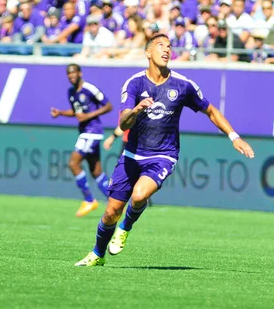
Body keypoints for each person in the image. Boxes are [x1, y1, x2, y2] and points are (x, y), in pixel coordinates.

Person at [75, 34, 255, 267]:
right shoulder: (134, 83)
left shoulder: (183, 85)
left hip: (163, 155)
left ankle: (125, 227)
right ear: (148, 53)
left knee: (140, 195)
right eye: (160, 46)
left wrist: (234, 136)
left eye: (169, 46)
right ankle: (97, 255)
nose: (166, 50)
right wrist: (137, 109)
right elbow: (123, 123)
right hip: (132, 154)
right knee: (111, 211)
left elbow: (210, 110)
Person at [50, 64, 113, 217]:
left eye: (73, 73)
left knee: (73, 163)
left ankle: (89, 200)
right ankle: (115, 202)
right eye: (69, 74)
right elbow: (76, 112)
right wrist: (61, 113)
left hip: (92, 131)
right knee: (96, 171)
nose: (71, 76)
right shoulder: (71, 92)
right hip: (85, 132)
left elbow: (109, 106)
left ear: (80, 73)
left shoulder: (89, 89)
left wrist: (88, 116)